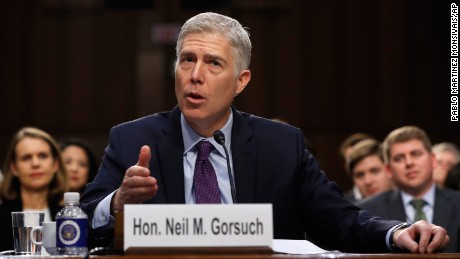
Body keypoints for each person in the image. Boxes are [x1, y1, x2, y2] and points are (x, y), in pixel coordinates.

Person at [80, 13, 449, 253]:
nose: (195, 75)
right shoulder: (132, 140)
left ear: (241, 81)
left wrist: (398, 231)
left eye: (213, 63)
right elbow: (81, 221)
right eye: (187, 60)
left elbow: (339, 219)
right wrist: (117, 204)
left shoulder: (281, 145)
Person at [358, 126, 460, 252]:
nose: (409, 162)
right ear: (389, 170)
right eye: (399, 158)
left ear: (433, 160)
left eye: (415, 154)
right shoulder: (367, 211)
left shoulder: (458, 203)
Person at [0, 127, 68, 251]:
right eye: (26, 158)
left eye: (42, 156)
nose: (35, 163)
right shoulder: (2, 216)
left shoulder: (69, 216)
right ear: (14, 167)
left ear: (55, 164)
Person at [339, 133, 374, 202]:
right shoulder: (341, 203)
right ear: (346, 167)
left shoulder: (399, 194)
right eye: (353, 160)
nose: (361, 164)